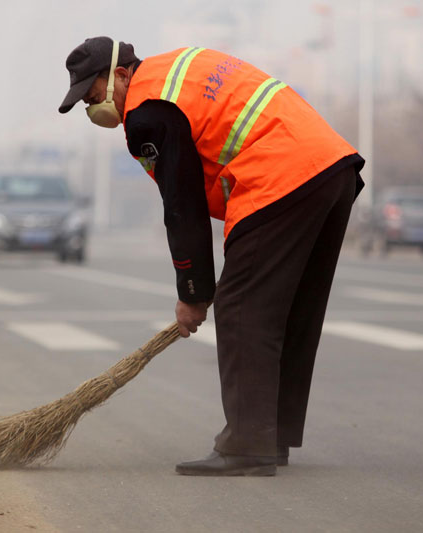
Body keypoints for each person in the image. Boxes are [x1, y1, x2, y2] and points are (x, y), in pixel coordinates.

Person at [59, 37, 364, 476]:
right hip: (331, 168)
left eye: (94, 95)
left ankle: (246, 445)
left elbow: (182, 206)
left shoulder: (148, 112)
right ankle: (268, 434)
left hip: (279, 178)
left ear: (122, 74)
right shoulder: (182, 67)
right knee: (290, 311)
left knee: (242, 308)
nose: (93, 110)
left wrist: (193, 292)